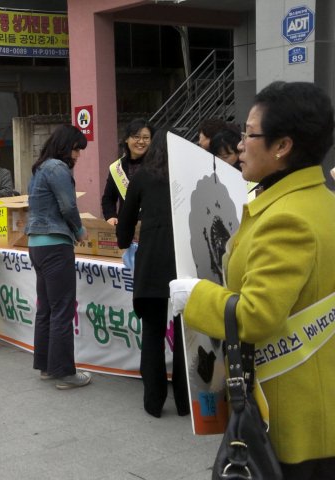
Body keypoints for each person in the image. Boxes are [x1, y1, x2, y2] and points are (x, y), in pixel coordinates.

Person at [170, 81, 335, 477]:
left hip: (292, 413)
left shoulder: (287, 219)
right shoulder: (321, 201)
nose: (240, 145)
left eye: (249, 134)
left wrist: (196, 295)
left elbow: (257, 316)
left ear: (283, 146)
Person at [116, 129, 190, 418]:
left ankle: (153, 401)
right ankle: (185, 402)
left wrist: (124, 241)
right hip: (185, 263)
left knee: (152, 332)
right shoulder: (189, 176)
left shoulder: (142, 177)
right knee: (186, 334)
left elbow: (125, 220)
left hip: (152, 262)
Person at [26, 125, 92, 390]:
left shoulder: (40, 168)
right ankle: (64, 373)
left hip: (37, 244)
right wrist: (79, 230)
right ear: (66, 147)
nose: (78, 155)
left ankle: (46, 367)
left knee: (46, 308)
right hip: (55, 245)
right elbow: (68, 205)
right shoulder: (58, 168)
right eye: (76, 149)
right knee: (62, 310)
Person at [101, 119, 154, 225]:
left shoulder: (158, 165)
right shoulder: (117, 168)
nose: (141, 141)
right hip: (126, 227)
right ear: (126, 139)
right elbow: (108, 199)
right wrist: (110, 216)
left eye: (146, 138)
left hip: (153, 227)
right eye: (136, 137)